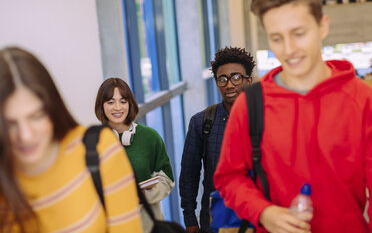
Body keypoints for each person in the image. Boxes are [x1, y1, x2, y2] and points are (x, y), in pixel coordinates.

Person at [214, 0, 372, 232]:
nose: (288, 50)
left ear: (323, 26)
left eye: (298, 33)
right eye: (277, 38)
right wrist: (263, 211)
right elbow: (229, 178)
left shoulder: (363, 99)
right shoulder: (251, 104)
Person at [0, 47, 142, 232]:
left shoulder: (100, 150)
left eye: (36, 116)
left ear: (52, 108)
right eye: (10, 123)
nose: (25, 136)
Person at [179, 47, 255, 233]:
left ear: (249, 80)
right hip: (215, 219)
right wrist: (190, 219)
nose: (229, 85)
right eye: (222, 79)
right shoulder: (202, 122)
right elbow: (189, 174)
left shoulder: (264, 118)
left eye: (236, 77)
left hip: (257, 215)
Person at [95, 77, 175, 233]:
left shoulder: (150, 137)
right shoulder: (94, 142)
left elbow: (167, 180)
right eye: (110, 102)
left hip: (148, 225)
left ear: (130, 104)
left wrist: (144, 195)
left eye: (123, 101)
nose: (118, 107)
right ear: (101, 106)